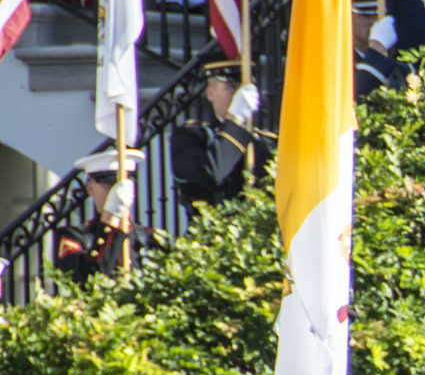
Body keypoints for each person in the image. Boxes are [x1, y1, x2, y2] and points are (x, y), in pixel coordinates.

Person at [170, 59, 271, 208]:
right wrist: (235, 120)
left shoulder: (265, 140)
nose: (239, 95)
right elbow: (211, 173)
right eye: (231, 87)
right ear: (210, 93)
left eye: (243, 88)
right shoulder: (190, 136)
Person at [53, 149, 163, 282]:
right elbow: (89, 278)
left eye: (121, 186)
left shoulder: (151, 238)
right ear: (90, 187)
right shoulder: (74, 237)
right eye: (108, 185)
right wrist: (110, 218)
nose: (115, 193)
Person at [352, 1, 411, 101]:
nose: (375, 22)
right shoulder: (337, 63)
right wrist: (377, 47)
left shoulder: (401, 60)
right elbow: (353, 97)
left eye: (379, 14)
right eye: (366, 15)